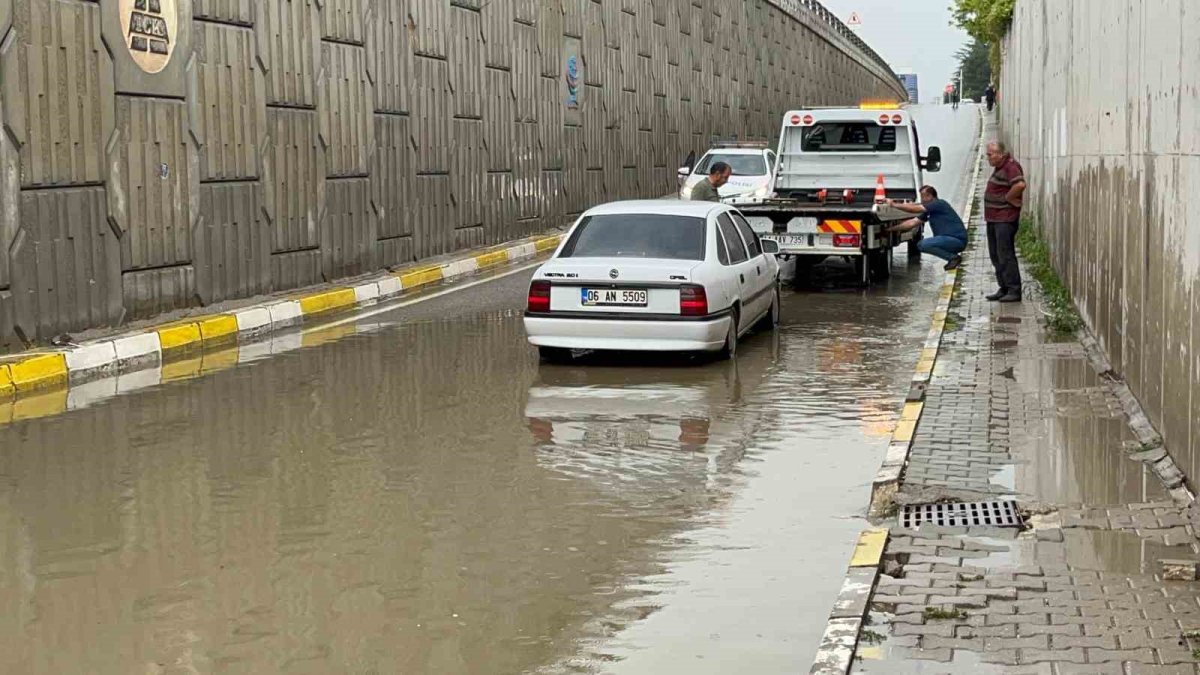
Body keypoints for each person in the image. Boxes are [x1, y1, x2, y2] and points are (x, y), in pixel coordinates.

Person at [884, 186, 968, 271]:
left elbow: (915, 209)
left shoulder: (938, 204)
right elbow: (912, 223)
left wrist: (893, 205)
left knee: (923, 244)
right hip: (949, 241)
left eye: (923, 197)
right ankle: (952, 256)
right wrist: (891, 229)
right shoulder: (929, 211)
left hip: (956, 240)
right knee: (921, 245)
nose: (922, 200)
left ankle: (954, 258)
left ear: (930, 196)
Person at [984, 141, 1027, 302]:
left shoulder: (1010, 166)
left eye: (990, 154)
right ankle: (1004, 287)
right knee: (995, 254)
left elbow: (1020, 184)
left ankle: (1014, 290)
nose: (988, 157)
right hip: (994, 218)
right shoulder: (1000, 168)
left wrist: (1008, 197)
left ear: (1000, 154)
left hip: (1004, 219)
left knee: (1005, 254)